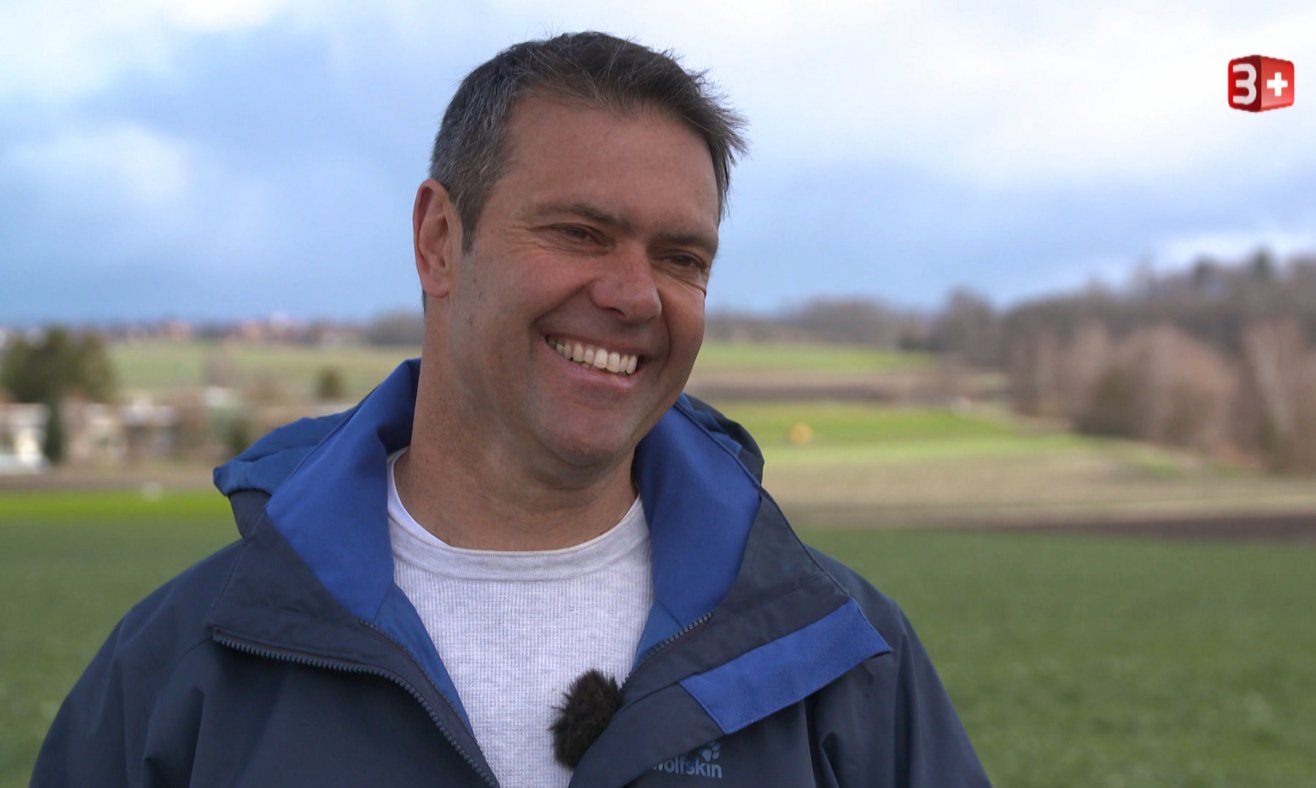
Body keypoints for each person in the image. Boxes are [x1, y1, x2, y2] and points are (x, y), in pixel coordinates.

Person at [32, 32, 989, 787]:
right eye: (580, 233)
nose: (634, 295)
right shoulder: (189, 665)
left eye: (681, 259)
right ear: (440, 241)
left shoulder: (838, 660)